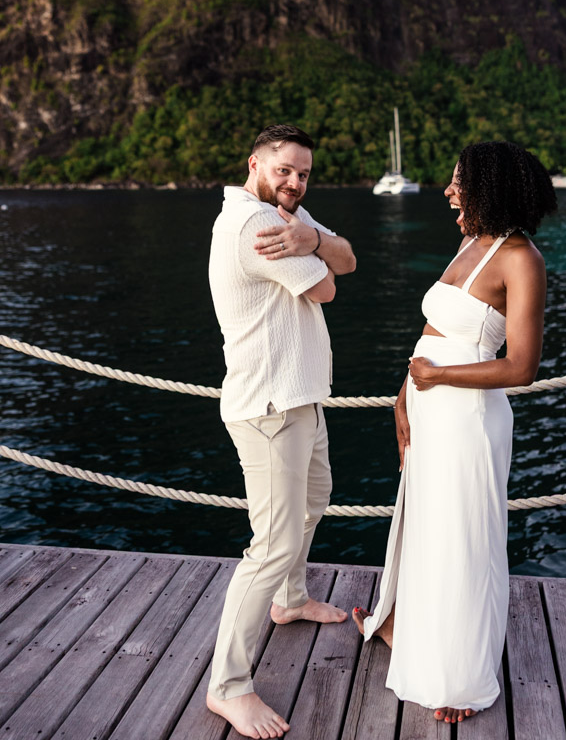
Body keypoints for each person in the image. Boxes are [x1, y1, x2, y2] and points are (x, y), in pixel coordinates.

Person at [353, 140, 557, 724]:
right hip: (429, 405)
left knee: (462, 537)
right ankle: (403, 625)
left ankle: (459, 675)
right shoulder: (471, 242)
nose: (448, 191)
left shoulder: (522, 260)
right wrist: (404, 395)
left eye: (458, 182)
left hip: (469, 417)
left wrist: (438, 377)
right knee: (426, 525)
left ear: (491, 188)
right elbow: (435, 329)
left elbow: (520, 366)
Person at [206, 124, 356, 739]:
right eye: (284, 170)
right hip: (269, 407)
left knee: (314, 501)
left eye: (304, 173)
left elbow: (346, 255)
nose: (294, 181)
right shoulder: (257, 225)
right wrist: (317, 243)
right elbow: (329, 284)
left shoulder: (287, 215)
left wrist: (315, 236)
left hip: (300, 399)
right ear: (255, 165)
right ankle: (228, 686)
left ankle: (290, 600)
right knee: (269, 544)